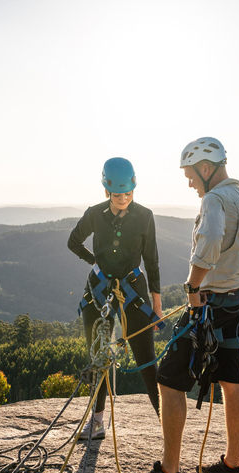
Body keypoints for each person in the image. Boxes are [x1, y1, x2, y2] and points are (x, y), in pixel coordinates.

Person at [125, 137, 239, 473]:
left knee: (169, 380)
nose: (189, 183)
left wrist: (192, 288)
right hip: (237, 299)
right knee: (232, 378)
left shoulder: (215, 200)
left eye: (190, 175)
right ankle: (232, 466)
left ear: (205, 168)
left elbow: (210, 240)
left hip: (209, 303)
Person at [68, 157, 164, 440]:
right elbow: (73, 241)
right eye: (117, 193)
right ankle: (97, 422)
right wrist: (94, 262)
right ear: (107, 190)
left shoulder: (145, 215)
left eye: (128, 193)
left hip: (133, 293)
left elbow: (153, 262)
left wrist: (157, 308)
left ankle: (167, 427)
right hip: (100, 292)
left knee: (147, 361)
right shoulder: (95, 214)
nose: (123, 198)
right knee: (100, 358)